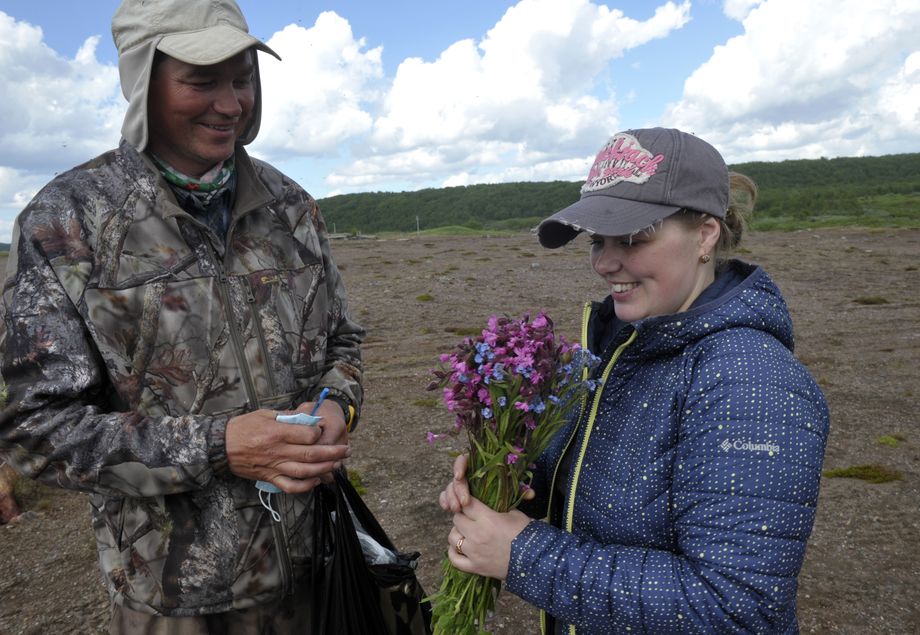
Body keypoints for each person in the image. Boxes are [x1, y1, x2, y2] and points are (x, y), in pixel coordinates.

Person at [0, 0, 364, 632]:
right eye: (202, 81)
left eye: (243, 77)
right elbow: (36, 429)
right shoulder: (66, 223)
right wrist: (219, 446)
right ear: (143, 82)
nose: (231, 104)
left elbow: (345, 344)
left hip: (317, 566)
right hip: (173, 603)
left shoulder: (292, 207)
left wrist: (336, 404)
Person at [439, 127, 829, 634]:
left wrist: (523, 553)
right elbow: (594, 496)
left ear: (706, 235)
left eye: (633, 238)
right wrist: (510, 482)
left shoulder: (751, 382)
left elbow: (738, 607)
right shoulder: (619, 349)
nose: (604, 262)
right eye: (599, 240)